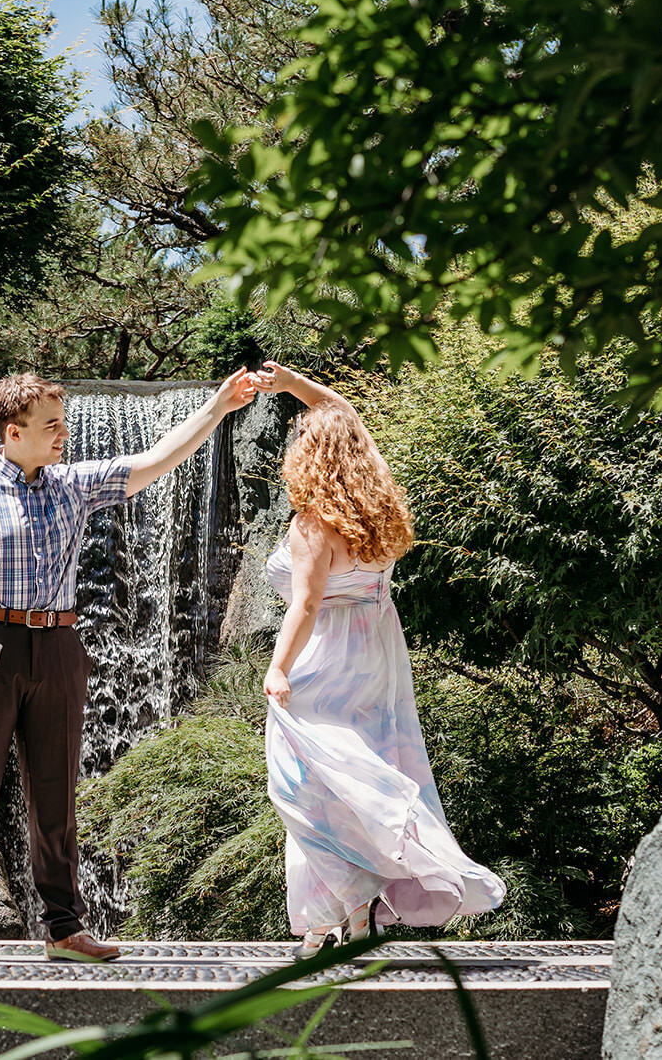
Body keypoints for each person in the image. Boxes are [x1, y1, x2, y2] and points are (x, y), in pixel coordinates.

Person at [0, 368, 258, 966]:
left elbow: (155, 461)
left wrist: (218, 408)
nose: (64, 434)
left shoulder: (72, 485)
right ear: (14, 433)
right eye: (52, 425)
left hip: (60, 648)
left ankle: (64, 928)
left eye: (64, 422)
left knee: (56, 795)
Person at [249, 361, 506, 957]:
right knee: (355, 776)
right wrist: (295, 385)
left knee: (304, 784)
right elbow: (347, 415)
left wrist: (279, 666)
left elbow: (307, 603)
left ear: (308, 458)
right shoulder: (378, 505)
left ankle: (337, 909)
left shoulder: (315, 522)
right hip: (378, 652)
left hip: (325, 657)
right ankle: (346, 915)